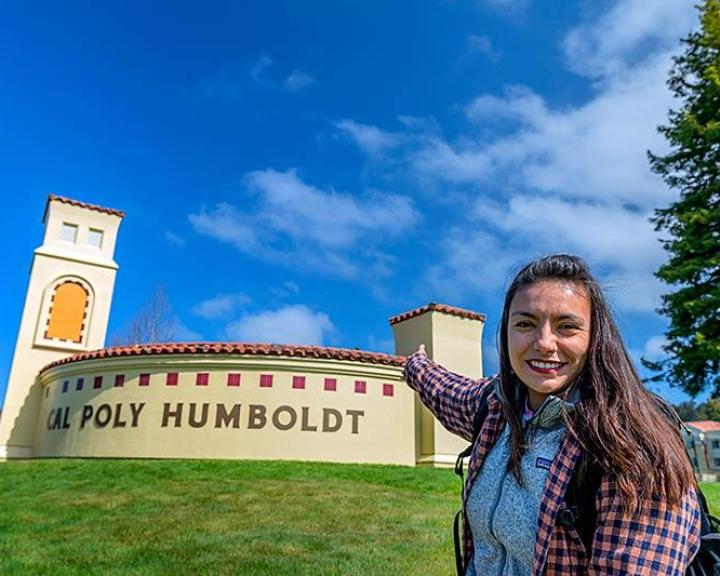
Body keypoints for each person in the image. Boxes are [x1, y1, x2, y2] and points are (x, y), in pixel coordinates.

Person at [403, 254, 701, 575]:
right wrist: (416, 366)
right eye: (525, 324)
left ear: (595, 338)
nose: (544, 343)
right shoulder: (497, 404)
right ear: (505, 334)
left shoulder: (632, 443)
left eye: (567, 326)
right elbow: (448, 391)